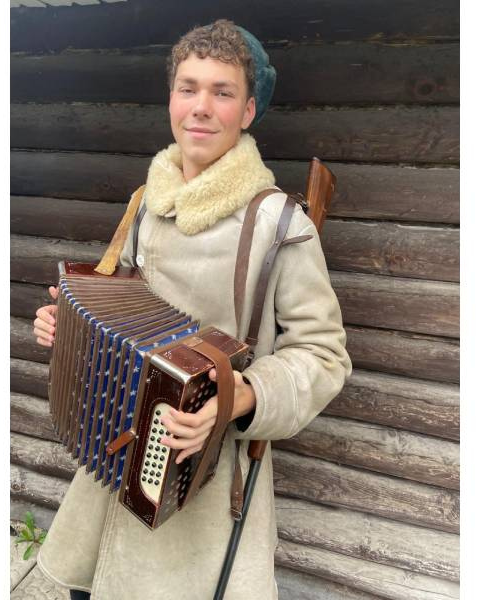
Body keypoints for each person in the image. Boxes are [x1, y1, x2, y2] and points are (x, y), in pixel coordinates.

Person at [31, 19, 351, 599]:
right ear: (171, 99)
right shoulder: (146, 203)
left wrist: (240, 395)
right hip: (113, 454)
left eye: (222, 92)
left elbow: (324, 356)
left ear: (248, 111)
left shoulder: (281, 226)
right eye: (188, 88)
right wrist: (68, 326)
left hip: (202, 480)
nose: (201, 107)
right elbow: (116, 301)